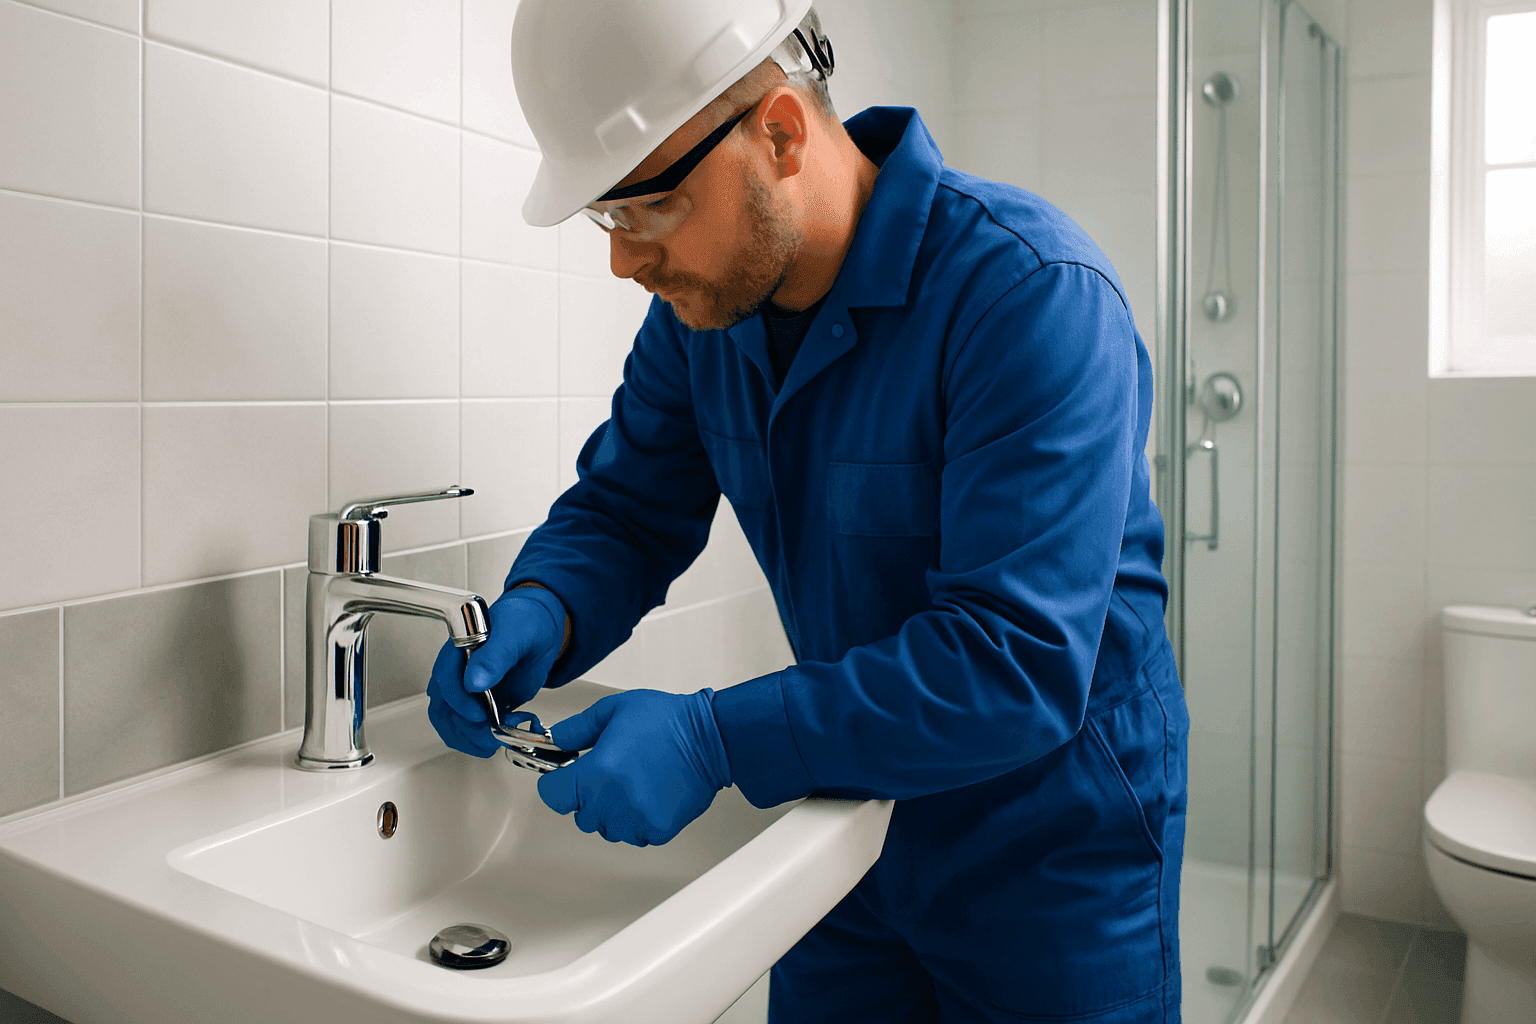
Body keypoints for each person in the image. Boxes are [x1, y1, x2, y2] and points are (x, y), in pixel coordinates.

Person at [425, 3, 1189, 1022]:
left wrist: (713, 741)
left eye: (645, 205)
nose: (623, 260)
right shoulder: (702, 314)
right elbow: (625, 507)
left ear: (780, 133)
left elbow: (1011, 660)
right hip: (841, 812)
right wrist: (544, 606)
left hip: (1049, 848)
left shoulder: (1032, 297)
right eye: (607, 216)